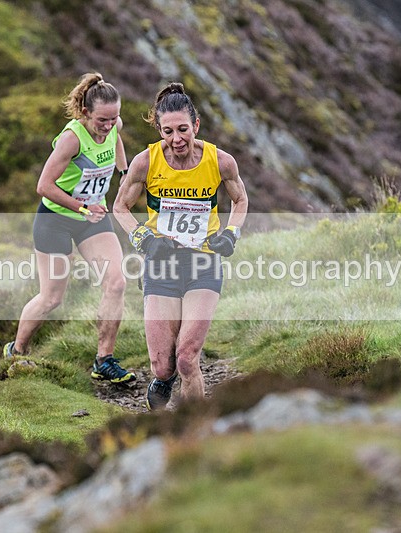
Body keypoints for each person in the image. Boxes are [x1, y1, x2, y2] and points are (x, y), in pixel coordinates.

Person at [113, 82, 248, 410]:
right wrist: (144, 239)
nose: (177, 139)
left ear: (196, 126)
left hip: (204, 263)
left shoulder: (220, 161)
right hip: (161, 265)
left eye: (184, 129)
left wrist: (231, 233)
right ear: (159, 129)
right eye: (168, 131)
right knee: (164, 365)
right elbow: (120, 208)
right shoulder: (146, 162)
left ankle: (195, 433)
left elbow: (241, 199)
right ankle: (163, 379)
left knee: (187, 358)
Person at [3, 72, 135, 384]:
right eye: (102, 120)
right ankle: (17, 350)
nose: (107, 125)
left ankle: (104, 360)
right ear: (87, 113)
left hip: (93, 217)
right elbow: (43, 186)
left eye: (113, 118)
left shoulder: (114, 125)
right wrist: (82, 207)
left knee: (116, 283)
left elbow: (116, 142)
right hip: (56, 220)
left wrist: (125, 173)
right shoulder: (72, 139)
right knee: (51, 299)